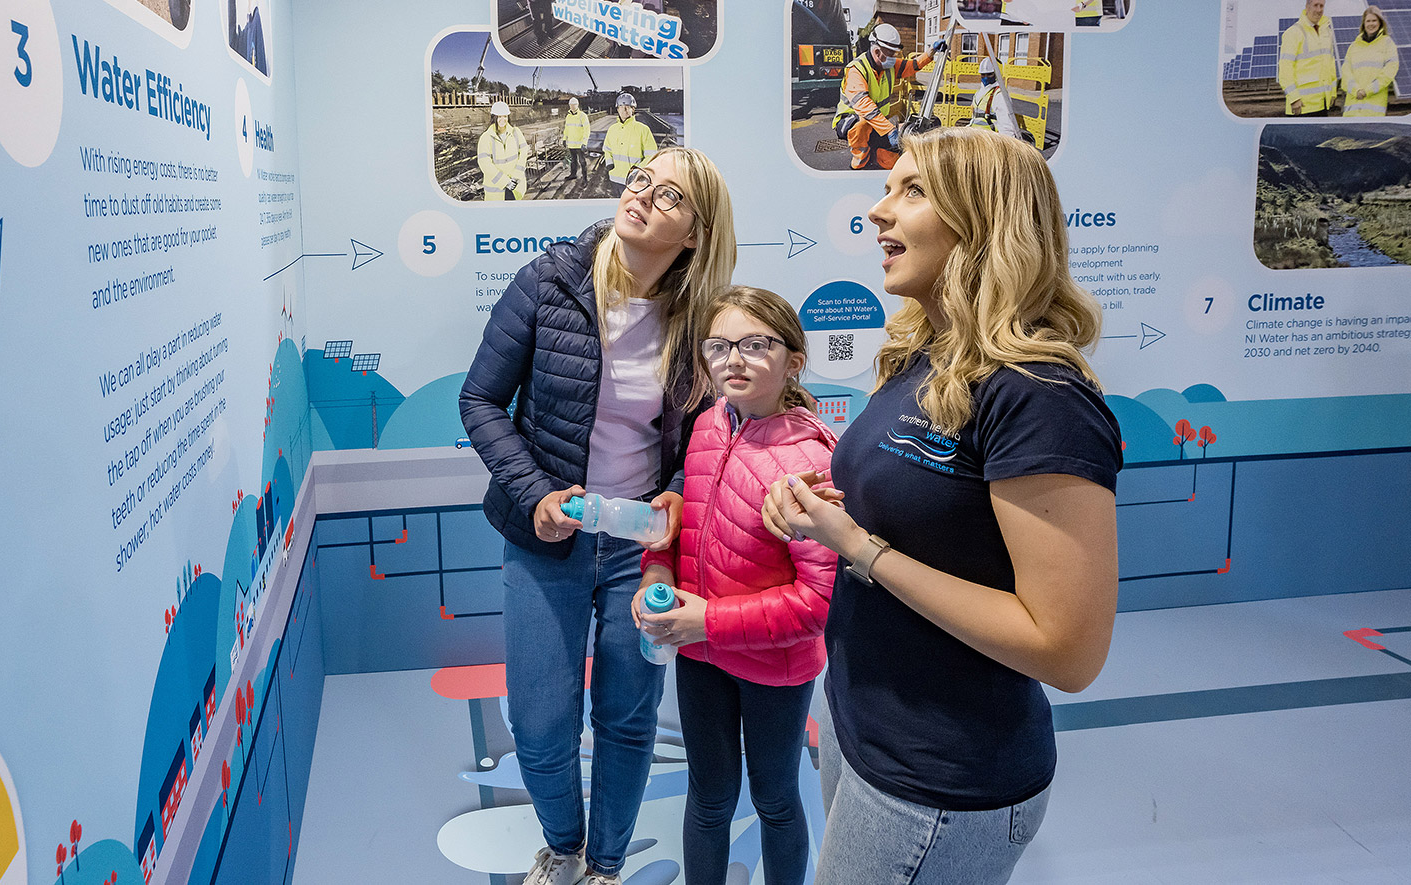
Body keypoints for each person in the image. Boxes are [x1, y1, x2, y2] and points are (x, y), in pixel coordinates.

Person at [763, 128, 1121, 885]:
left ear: (983, 220)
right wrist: (828, 514)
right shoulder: (931, 353)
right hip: (862, 730)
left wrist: (862, 547)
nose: (878, 210)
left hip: (939, 785)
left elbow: (1067, 649)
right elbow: (932, 516)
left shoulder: (1041, 398)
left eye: (912, 191)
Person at [461, 148, 738, 885]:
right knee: (542, 725)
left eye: (671, 195)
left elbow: (706, 432)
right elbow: (479, 401)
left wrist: (678, 491)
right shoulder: (549, 281)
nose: (643, 195)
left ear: (694, 235)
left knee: (626, 717)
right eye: (641, 178)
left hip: (638, 547)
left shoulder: (701, 318)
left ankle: (605, 865)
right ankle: (563, 846)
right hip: (544, 536)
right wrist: (536, 495)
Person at [634, 286, 838, 885]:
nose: (734, 359)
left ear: (793, 361)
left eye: (755, 344)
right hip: (701, 657)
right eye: (719, 345)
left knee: (775, 798)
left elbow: (817, 604)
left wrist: (709, 621)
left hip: (775, 666)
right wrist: (657, 573)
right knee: (709, 798)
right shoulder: (705, 427)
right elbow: (678, 525)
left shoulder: (813, 461)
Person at [831, 23, 946, 171]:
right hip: (851, 121)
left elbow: (912, 65)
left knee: (891, 162)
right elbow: (864, 106)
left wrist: (931, 52)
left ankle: (874, 154)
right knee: (862, 124)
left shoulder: (887, 65)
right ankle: (859, 163)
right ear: (877, 52)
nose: (893, 58)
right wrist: (889, 130)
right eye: (890, 54)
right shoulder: (856, 70)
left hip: (877, 123)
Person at [1277, 0, 1338, 116]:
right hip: (1301, 106)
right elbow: (1285, 68)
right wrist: (1294, 98)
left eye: (1322, 6)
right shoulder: (1293, 33)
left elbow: (1330, 65)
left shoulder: (1326, 33)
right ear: (1307, 6)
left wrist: (1332, 92)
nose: (1319, 9)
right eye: (1315, 5)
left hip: (1322, 104)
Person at [1341, 4, 1397, 117]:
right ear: (1363, 24)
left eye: (1374, 20)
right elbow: (1346, 73)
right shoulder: (1354, 46)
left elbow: (1389, 71)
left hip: (1374, 113)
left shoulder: (1387, 43)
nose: (1371, 24)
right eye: (1368, 21)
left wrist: (1367, 91)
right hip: (1351, 111)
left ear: (1380, 22)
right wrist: (1356, 90)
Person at [602, 94, 658, 195]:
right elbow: (607, 149)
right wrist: (609, 163)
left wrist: (637, 171)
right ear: (617, 109)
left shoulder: (643, 130)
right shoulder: (612, 129)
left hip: (634, 181)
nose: (625, 110)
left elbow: (652, 155)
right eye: (621, 107)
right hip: (614, 179)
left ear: (633, 109)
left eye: (628, 107)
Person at [478, 101, 530, 201]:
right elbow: (485, 164)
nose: (503, 120)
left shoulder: (516, 132)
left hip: (515, 186)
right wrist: (505, 181)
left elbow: (523, 153)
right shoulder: (486, 137)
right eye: (499, 117)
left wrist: (516, 177)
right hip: (496, 190)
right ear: (494, 118)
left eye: (505, 116)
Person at [967, 56, 1025, 141]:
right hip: (975, 136)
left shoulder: (999, 95)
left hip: (989, 139)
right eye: (983, 74)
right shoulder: (979, 93)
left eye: (989, 74)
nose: (986, 77)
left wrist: (1007, 144)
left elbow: (1006, 124)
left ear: (996, 73)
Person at [562, 97, 591, 185]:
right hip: (571, 144)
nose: (572, 106)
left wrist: (584, 143)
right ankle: (573, 174)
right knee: (573, 161)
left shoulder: (582, 116)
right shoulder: (568, 116)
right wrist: (564, 139)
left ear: (577, 105)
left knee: (582, 162)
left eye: (574, 105)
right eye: (571, 105)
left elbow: (587, 129)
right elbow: (566, 128)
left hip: (580, 144)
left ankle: (585, 179)